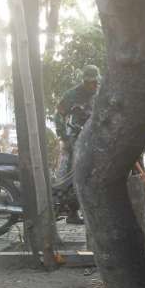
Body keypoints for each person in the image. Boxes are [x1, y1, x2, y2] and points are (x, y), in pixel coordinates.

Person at [53, 65, 99, 224]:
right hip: (75, 140)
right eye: (90, 82)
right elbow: (58, 115)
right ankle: (71, 212)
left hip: (94, 140)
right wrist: (64, 137)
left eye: (95, 82)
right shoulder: (72, 95)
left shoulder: (98, 95)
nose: (93, 86)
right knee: (74, 176)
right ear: (85, 81)